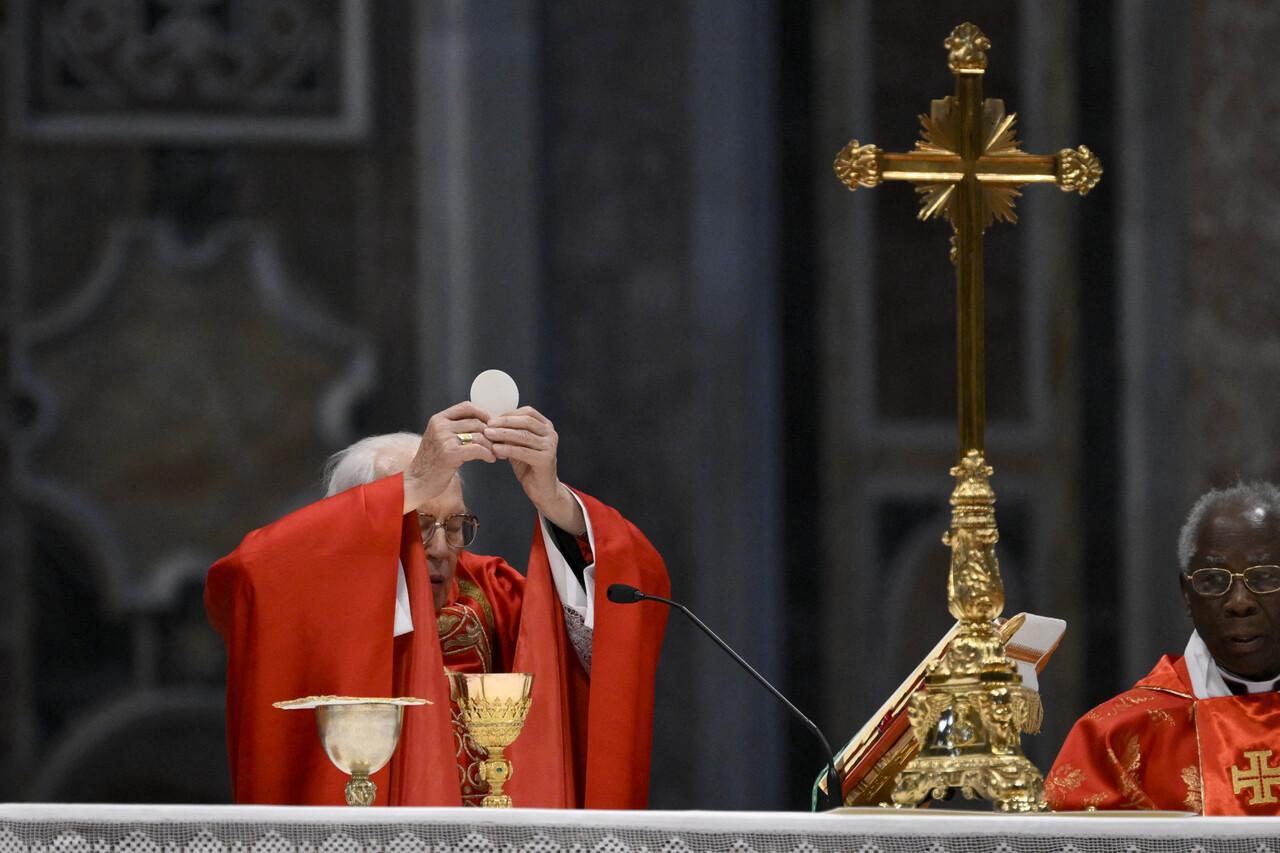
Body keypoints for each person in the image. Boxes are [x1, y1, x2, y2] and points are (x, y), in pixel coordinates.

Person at [205, 402, 670, 807]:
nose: (441, 547)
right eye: (419, 524)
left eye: (454, 526)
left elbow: (619, 618)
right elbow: (246, 576)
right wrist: (405, 488)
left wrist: (556, 504)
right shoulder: (310, 600)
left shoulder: (492, 595)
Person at [1046, 481, 1280, 814]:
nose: (1239, 602)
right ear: (1187, 595)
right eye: (1213, 580)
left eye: (1264, 577)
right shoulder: (1117, 736)